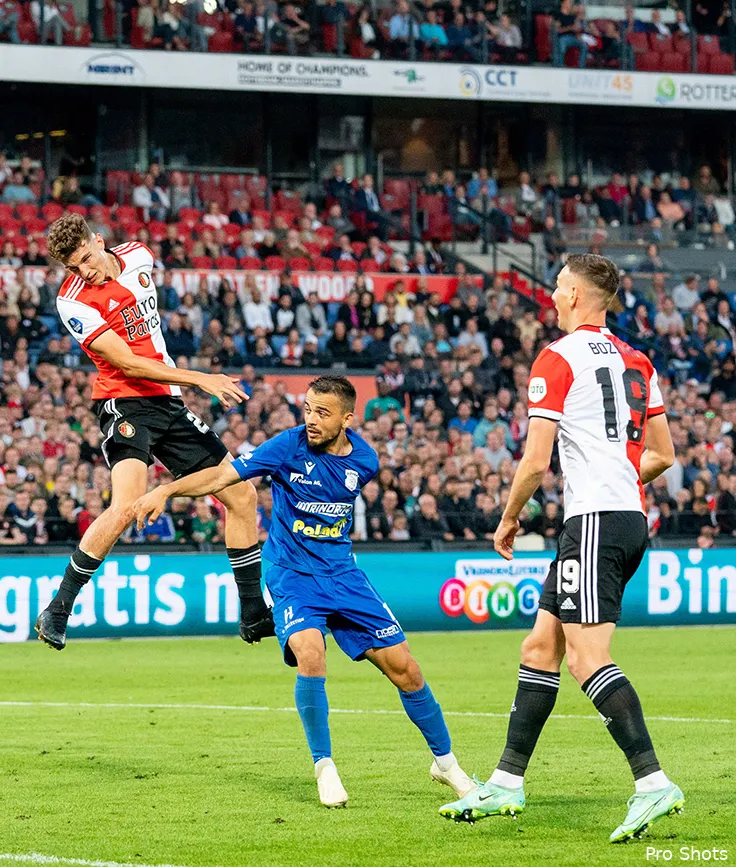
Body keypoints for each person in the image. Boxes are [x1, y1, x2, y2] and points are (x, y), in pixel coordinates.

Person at [130, 375, 476, 809]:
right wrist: (166, 488)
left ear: (347, 419)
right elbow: (221, 476)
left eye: (322, 413)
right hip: (292, 574)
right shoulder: (287, 446)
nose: (311, 420)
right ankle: (324, 767)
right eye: (308, 409)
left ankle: (446, 764)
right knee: (311, 652)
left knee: (405, 668)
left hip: (344, 575)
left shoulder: (365, 461)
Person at [440, 254, 683, 841]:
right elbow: (664, 454)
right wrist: (618, 481)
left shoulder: (556, 357)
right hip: (620, 519)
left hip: (595, 524)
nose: (551, 292)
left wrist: (509, 517)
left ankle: (652, 783)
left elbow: (534, 460)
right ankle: (506, 781)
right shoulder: (636, 359)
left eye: (556, 285)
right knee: (540, 646)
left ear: (575, 293)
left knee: (586, 658)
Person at [34, 213, 271, 651]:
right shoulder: (73, 303)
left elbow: (150, 331)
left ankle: (254, 612)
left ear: (100, 242)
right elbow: (126, 363)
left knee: (242, 495)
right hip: (123, 401)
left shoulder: (139, 255)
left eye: (86, 259)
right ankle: (58, 609)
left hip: (167, 401)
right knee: (125, 507)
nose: (83, 272)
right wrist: (202, 378)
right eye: (73, 268)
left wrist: (183, 384)